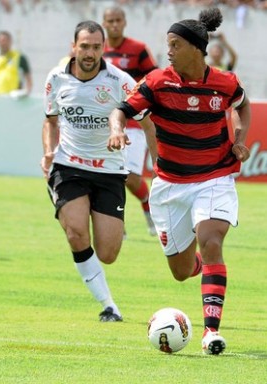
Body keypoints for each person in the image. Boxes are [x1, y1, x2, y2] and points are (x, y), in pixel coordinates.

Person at [108, 8, 251, 353]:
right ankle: (200, 269)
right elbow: (121, 110)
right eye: (167, 44)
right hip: (170, 186)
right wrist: (116, 130)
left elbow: (241, 104)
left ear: (196, 49)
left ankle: (210, 333)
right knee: (181, 270)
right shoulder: (158, 82)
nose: (168, 50)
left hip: (214, 176)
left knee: (211, 239)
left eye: (175, 44)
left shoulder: (224, 82)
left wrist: (241, 136)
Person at [40, 20, 156, 322]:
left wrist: (160, 165)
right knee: (76, 232)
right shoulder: (56, 78)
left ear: (103, 48)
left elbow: (147, 122)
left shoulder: (120, 80)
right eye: (84, 46)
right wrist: (49, 152)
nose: (90, 52)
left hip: (109, 170)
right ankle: (109, 306)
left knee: (108, 253)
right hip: (69, 166)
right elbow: (50, 121)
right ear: (73, 47)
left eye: (95, 47)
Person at [103, 6, 158, 236]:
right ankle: (117, 225)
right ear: (104, 23)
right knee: (107, 174)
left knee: (130, 177)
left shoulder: (138, 50)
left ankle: (147, 205)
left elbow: (154, 79)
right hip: (104, 122)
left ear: (124, 22)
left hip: (134, 121)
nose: (114, 24)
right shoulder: (96, 49)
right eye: (110, 21)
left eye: (118, 20)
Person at [0, 30, 32, 96]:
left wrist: (26, 92)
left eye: (6, 40)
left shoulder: (19, 57)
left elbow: (28, 77)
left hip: (11, 98)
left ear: (11, 41)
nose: (3, 43)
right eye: (1, 41)